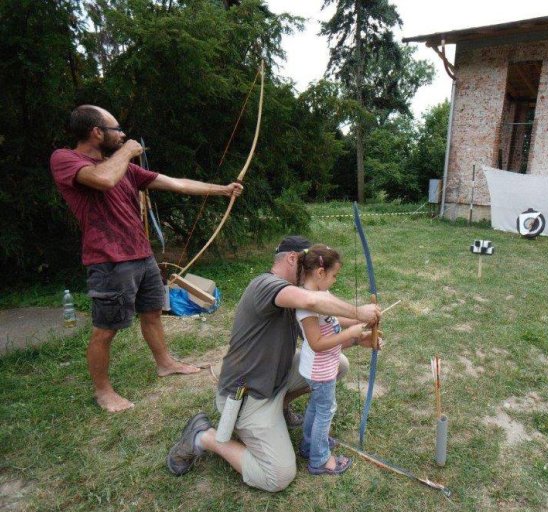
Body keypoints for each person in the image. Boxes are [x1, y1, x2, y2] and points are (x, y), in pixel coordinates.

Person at [50, 105, 243, 413]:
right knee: (106, 329)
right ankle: (103, 392)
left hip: (142, 255)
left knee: (152, 312)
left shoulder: (125, 169)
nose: (123, 135)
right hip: (110, 261)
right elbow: (103, 179)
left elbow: (177, 183)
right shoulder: (66, 159)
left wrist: (223, 190)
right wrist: (127, 150)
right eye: (116, 129)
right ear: (96, 132)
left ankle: (165, 363)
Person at [166, 236, 381, 492]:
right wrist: (358, 312)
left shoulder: (294, 297)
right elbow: (312, 301)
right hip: (248, 394)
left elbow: (318, 339)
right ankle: (204, 437)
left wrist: (356, 339)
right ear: (291, 258)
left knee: (338, 365)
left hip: (276, 378)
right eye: (307, 263)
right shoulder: (267, 285)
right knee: (278, 476)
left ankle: (281, 406)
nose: (312, 272)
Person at [296, 244, 365, 475]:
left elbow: (334, 319)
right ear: (320, 272)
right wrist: (350, 334)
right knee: (325, 410)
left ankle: (309, 446)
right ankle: (319, 459)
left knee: (317, 407)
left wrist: (358, 322)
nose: (335, 280)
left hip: (320, 367)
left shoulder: (320, 296)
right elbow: (317, 343)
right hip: (320, 369)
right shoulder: (306, 306)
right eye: (334, 275)